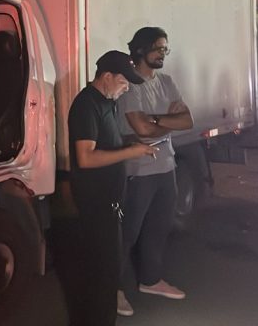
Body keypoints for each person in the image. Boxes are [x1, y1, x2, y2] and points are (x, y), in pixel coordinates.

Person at [68, 50, 158, 325]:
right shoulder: (86, 105)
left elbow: (107, 142)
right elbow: (86, 157)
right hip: (95, 204)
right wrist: (130, 153)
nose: (127, 86)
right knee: (101, 277)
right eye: (123, 81)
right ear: (106, 77)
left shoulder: (109, 102)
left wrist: (130, 143)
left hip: (110, 202)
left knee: (108, 275)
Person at [116, 27, 193, 317]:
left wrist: (156, 120)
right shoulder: (129, 85)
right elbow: (142, 130)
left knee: (159, 228)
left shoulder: (166, 81)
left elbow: (188, 120)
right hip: (138, 170)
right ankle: (114, 289)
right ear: (140, 50)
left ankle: (150, 280)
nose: (163, 54)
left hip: (166, 166)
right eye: (158, 49)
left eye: (165, 49)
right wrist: (165, 123)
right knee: (128, 234)